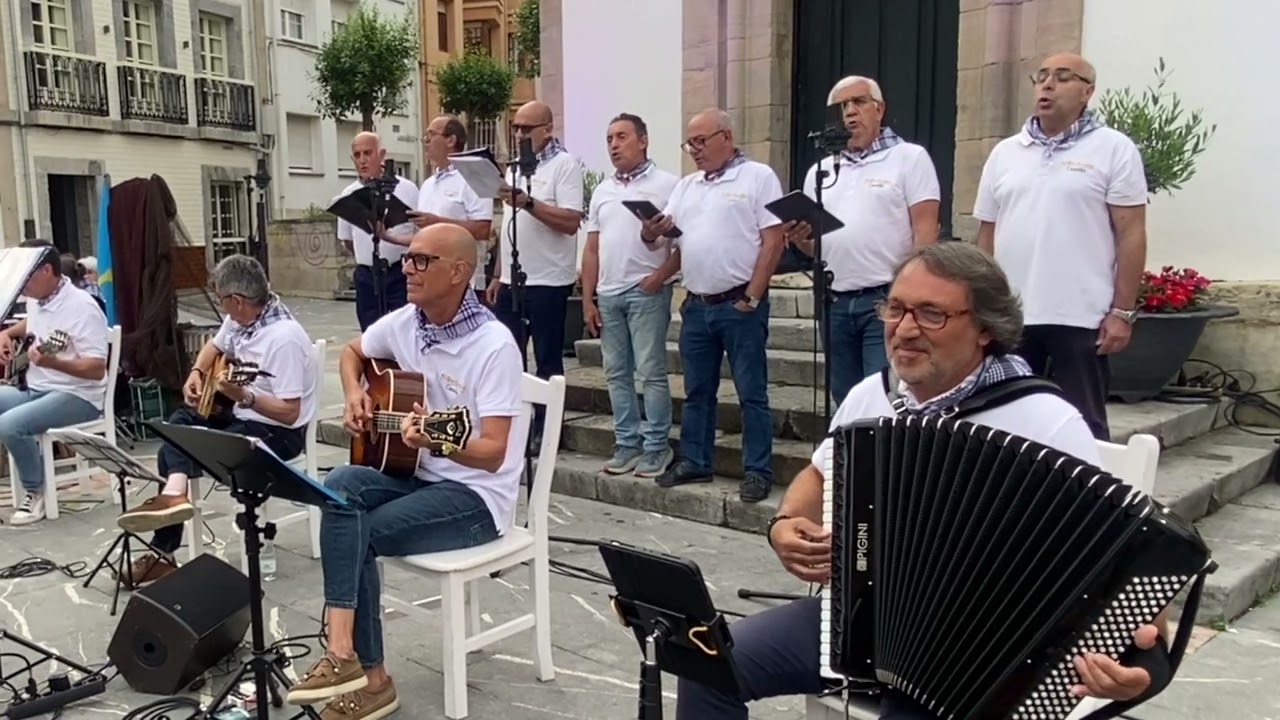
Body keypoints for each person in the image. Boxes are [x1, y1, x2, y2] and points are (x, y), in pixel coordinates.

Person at [675, 242, 1170, 719]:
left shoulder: (1045, 422)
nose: (905, 330)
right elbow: (818, 472)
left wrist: (1144, 666)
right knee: (707, 664)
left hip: (976, 660)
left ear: (984, 328)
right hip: (859, 623)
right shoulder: (874, 394)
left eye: (931, 314)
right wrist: (783, 524)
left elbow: (1119, 557)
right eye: (896, 309)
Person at [285, 224, 525, 719]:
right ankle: (346, 653)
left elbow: (495, 453)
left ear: (459, 273)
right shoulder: (409, 322)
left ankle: (366, 675)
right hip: (417, 471)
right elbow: (353, 352)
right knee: (340, 486)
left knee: (362, 533)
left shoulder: (494, 346)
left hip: (475, 498)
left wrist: (439, 440)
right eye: (407, 259)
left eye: (421, 260)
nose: (407, 269)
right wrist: (354, 393)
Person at [975, 52, 1148, 441]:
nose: (1048, 84)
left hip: (1080, 315)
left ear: (1088, 91)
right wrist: (982, 305)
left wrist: (1122, 311)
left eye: (1063, 77)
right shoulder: (1006, 153)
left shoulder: (1113, 149)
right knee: (1006, 420)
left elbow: (1131, 233)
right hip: (1013, 316)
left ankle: (1090, 500)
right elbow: (987, 234)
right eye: (1042, 77)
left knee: (1084, 426)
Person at [114, 255, 316, 585]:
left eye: (220, 298)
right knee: (179, 421)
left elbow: (290, 413)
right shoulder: (241, 318)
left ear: (236, 300)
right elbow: (213, 346)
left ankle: (166, 539)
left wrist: (245, 396)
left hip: (278, 432)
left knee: (173, 450)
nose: (220, 306)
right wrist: (197, 373)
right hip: (240, 416)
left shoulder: (284, 339)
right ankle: (176, 495)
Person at [640, 108, 784, 503]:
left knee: (751, 391)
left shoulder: (757, 177)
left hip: (739, 302)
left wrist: (753, 296)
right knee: (697, 390)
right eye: (690, 143)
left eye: (701, 141)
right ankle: (695, 460)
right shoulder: (687, 186)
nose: (694, 150)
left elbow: (773, 240)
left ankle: (757, 470)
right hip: (698, 304)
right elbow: (669, 242)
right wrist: (650, 231)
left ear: (726, 136)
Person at [784, 75, 940, 402]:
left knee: (883, 392)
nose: (850, 112)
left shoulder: (909, 158)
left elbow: (925, 232)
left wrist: (913, 294)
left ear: (879, 109)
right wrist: (800, 240)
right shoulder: (823, 170)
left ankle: (883, 454)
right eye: (843, 106)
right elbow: (819, 247)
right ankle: (849, 454)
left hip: (883, 299)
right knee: (845, 397)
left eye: (859, 102)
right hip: (835, 300)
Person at [581, 112, 680, 477]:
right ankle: (626, 443)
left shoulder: (669, 184)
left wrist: (660, 277)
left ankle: (657, 447)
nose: (613, 145)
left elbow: (684, 241)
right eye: (609, 139)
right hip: (609, 293)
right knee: (616, 373)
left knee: (651, 371)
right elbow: (592, 248)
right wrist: (588, 298)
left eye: (622, 137)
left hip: (646, 291)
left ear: (643, 140)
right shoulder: (603, 191)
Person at [486, 100, 584, 443]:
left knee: (546, 358)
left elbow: (571, 221)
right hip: (514, 278)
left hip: (548, 280)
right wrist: (498, 273)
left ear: (548, 128)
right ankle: (515, 425)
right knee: (509, 356)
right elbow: (509, 224)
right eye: (515, 127)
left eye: (527, 128)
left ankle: (547, 427)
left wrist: (528, 202)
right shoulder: (514, 168)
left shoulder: (564, 165)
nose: (519, 134)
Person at [0, 242, 108, 525]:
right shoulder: (38, 299)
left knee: (10, 425)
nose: (21, 285)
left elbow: (97, 369)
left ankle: (35, 492)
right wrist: (7, 333)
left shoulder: (83, 307)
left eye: (26, 276)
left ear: (47, 270)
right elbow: (30, 324)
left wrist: (55, 362)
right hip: (38, 388)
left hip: (77, 395)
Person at [335, 131, 420, 330]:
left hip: (399, 272)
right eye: (357, 155)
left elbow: (421, 233)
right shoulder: (348, 195)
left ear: (381, 155)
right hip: (367, 275)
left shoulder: (406, 189)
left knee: (405, 329)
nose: (362, 160)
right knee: (370, 331)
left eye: (368, 153)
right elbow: (348, 241)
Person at [411, 114, 494, 298]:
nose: (426, 142)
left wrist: (437, 222)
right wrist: (387, 236)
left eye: (430, 135)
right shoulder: (427, 185)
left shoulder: (473, 178)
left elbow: (483, 229)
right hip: (428, 279)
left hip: (463, 281)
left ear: (451, 140)